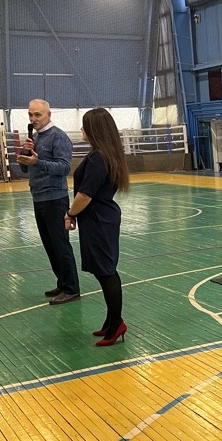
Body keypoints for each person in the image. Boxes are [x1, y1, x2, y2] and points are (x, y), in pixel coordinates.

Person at [65, 108, 129, 346]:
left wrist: (70, 213)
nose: (82, 129)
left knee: (106, 272)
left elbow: (85, 195)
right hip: (100, 219)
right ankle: (111, 321)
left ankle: (116, 325)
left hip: (99, 220)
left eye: (85, 125)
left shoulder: (98, 158)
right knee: (105, 271)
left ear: (94, 130)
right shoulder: (104, 154)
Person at [19, 99, 80, 304]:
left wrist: (38, 161)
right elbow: (26, 168)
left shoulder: (58, 137)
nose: (33, 119)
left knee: (60, 245)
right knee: (50, 245)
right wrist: (26, 155)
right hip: (38, 197)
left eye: (38, 115)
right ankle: (63, 283)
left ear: (49, 115)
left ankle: (72, 288)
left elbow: (64, 168)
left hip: (55, 199)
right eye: (30, 114)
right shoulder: (34, 138)